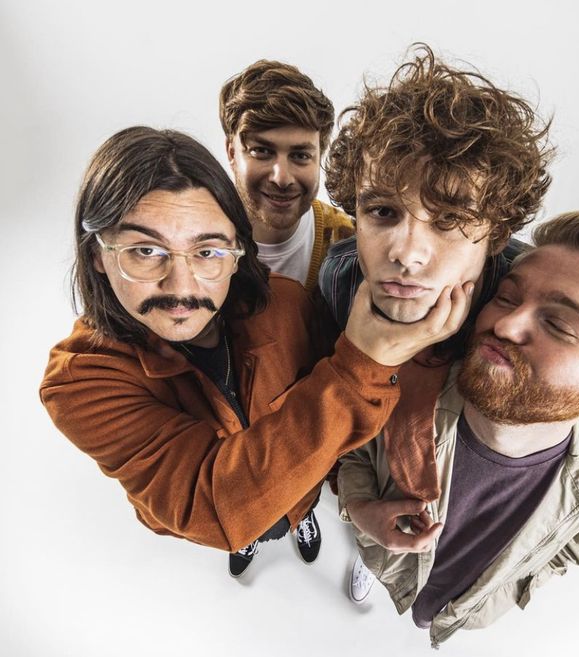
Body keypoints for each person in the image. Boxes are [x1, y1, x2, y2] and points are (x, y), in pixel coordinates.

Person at [39, 127, 473, 580]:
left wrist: (355, 504)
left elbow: (336, 435)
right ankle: (251, 542)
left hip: (300, 491)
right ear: (96, 255)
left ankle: (299, 517)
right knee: (245, 528)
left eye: (207, 251)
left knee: (293, 505)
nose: (182, 287)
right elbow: (213, 506)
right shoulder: (79, 381)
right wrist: (364, 363)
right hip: (227, 519)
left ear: (236, 251)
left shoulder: (285, 303)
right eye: (145, 251)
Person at [337, 211, 579, 646]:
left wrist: (525, 574)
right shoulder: (403, 383)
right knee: (379, 555)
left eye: (558, 324)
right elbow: (353, 449)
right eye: (506, 297)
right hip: (382, 552)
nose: (504, 326)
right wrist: (359, 511)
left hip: (470, 606)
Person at [318, 43, 552, 600]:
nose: (407, 253)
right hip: (386, 454)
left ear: (494, 236)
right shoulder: (342, 275)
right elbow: (343, 406)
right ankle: (373, 554)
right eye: (382, 212)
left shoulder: (521, 304)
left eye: (448, 220)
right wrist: (357, 507)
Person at [220, 60, 354, 292]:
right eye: (262, 151)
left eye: (300, 155)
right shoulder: (195, 240)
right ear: (232, 153)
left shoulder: (350, 244)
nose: (282, 178)